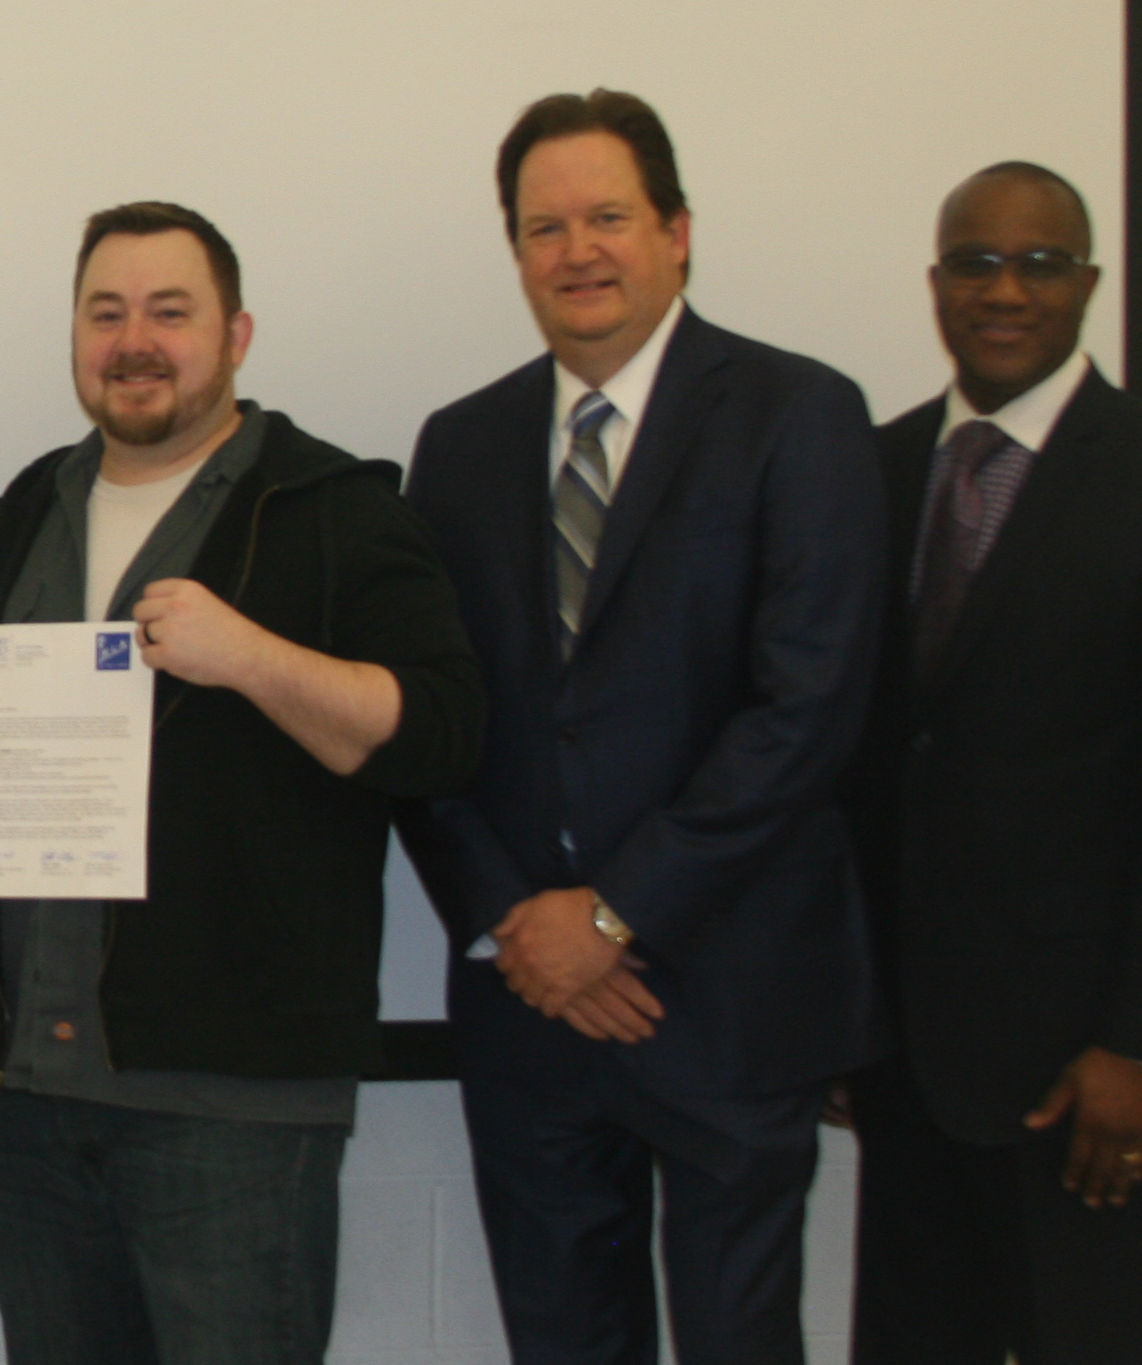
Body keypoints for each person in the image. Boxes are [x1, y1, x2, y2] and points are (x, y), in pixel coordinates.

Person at [0, 202, 482, 1365]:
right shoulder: (30, 509)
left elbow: (443, 735)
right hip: (36, 1099)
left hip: (236, 1112)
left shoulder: (333, 509)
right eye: (106, 312)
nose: (136, 340)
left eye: (172, 311)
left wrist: (249, 657)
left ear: (238, 334)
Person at [394, 91, 889, 1365]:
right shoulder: (458, 447)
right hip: (532, 1015)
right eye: (544, 226)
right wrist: (520, 923)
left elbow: (808, 712)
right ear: (515, 253)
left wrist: (614, 919)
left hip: (726, 1000)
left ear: (677, 231)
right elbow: (430, 724)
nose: (578, 251)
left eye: (608, 216)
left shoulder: (801, 414)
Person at [840, 162, 1142, 1365]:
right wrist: (844, 1012)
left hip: (1089, 1080)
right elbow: (857, 768)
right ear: (937, 286)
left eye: (1038, 263)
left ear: (1086, 282)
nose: (1005, 290)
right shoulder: (872, 475)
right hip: (907, 1067)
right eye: (976, 263)